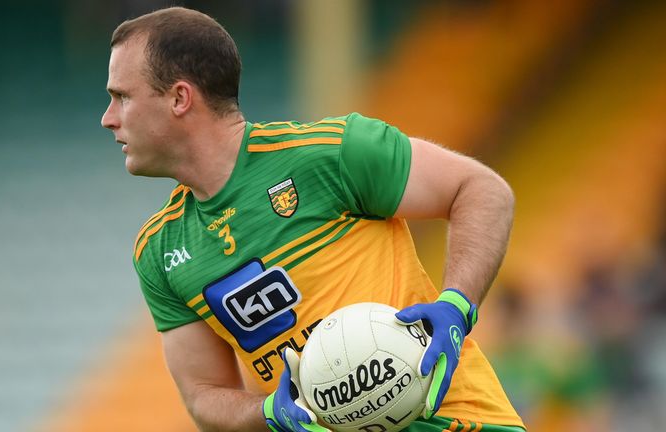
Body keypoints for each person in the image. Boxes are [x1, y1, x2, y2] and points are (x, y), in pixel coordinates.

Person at [101, 6, 526, 432]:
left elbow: (482, 191)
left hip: (460, 422)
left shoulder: (330, 154)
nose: (109, 118)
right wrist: (267, 411)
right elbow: (203, 396)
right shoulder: (159, 251)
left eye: (122, 96)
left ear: (179, 97)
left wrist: (455, 307)